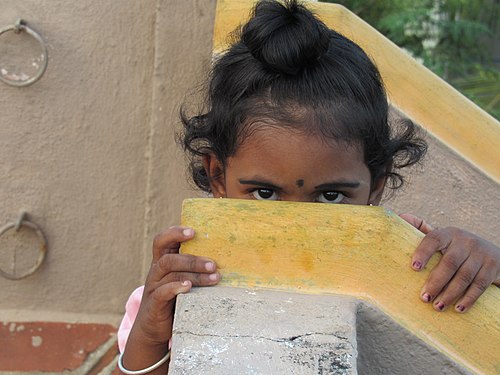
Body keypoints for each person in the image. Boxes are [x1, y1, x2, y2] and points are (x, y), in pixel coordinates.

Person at [116, 1, 500, 373]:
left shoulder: (410, 261)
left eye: (330, 196)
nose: (296, 224)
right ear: (218, 176)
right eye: (265, 193)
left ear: (376, 186)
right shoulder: (185, 286)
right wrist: (150, 332)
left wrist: (483, 265)